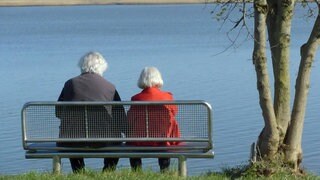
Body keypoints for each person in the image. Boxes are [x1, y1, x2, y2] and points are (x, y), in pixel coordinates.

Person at [55, 51, 127, 173]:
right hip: (104, 140)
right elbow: (120, 117)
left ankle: (79, 172)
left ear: (82, 66)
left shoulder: (69, 84)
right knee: (117, 140)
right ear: (102, 67)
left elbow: (58, 112)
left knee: (72, 132)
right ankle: (108, 172)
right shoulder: (110, 87)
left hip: (72, 141)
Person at [127, 66, 180, 172]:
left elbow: (130, 119)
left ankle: (137, 173)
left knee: (132, 142)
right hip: (163, 140)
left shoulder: (136, 99)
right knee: (165, 137)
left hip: (139, 141)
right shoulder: (167, 97)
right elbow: (174, 113)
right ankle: (164, 171)